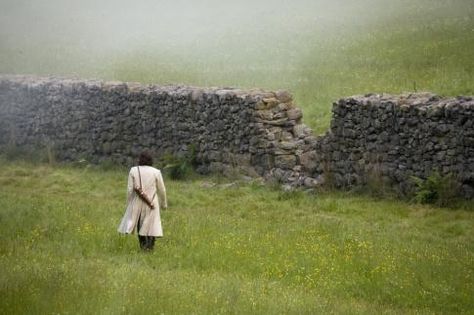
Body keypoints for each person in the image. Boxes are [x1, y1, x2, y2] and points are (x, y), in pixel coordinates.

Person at [118, 151, 167, 250]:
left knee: (140, 224)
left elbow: (129, 189)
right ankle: (150, 247)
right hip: (152, 202)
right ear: (151, 161)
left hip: (137, 201)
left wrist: (128, 203)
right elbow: (162, 190)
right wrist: (164, 204)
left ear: (140, 159)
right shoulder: (156, 172)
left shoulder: (133, 170)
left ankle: (143, 247)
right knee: (151, 225)